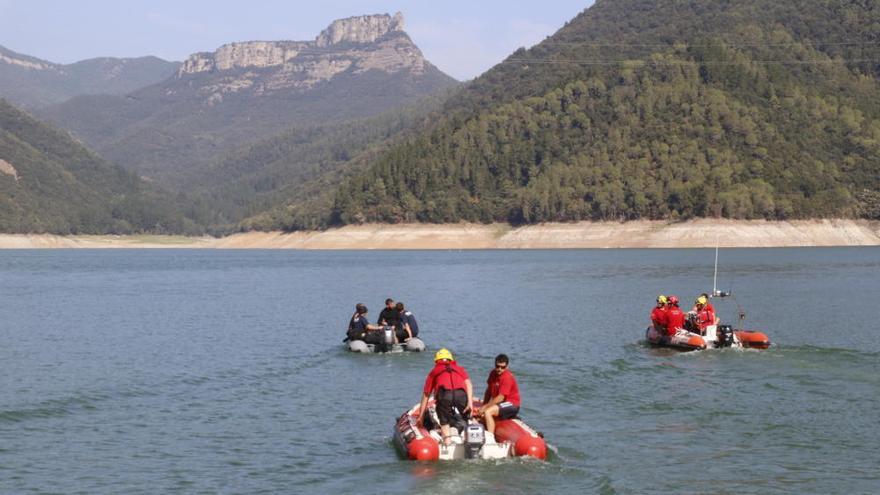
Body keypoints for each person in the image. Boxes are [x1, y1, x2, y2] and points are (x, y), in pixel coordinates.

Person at [417, 348, 474, 446]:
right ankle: (470, 441)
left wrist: (421, 416)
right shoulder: (460, 369)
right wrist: (470, 403)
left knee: (444, 421)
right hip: (461, 394)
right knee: (467, 419)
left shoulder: (434, 372)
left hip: (444, 394)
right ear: (451, 359)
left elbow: (426, 395)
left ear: (436, 361)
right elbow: (469, 384)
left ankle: (448, 443)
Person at [476, 354, 521, 434]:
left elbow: (501, 397)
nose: (499, 369)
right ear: (495, 364)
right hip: (501, 404)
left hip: (511, 404)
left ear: (506, 367)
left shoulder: (507, 377)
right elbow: (489, 391)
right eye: (497, 366)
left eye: (502, 367)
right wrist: (484, 405)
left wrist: (486, 407)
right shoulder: (492, 373)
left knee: (488, 412)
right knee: (483, 415)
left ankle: (490, 437)